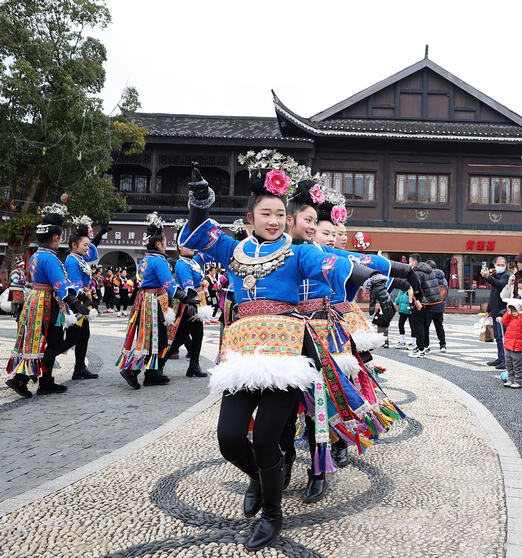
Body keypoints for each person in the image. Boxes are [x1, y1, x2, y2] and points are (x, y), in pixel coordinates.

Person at [181, 163, 385, 551]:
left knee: (268, 438)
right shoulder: (233, 248)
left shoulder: (298, 253)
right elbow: (196, 233)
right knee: (228, 439)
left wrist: (368, 275)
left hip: (288, 355)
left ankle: (272, 514)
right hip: (242, 355)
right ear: (250, 217)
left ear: (287, 218)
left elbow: (332, 263)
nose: (274, 221)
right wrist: (200, 202)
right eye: (266, 213)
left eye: (280, 214)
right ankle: (259, 477)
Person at [5, 204, 91, 398]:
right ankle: (22, 378)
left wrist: (79, 298)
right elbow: (60, 284)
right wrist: (76, 304)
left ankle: (45, 380)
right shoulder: (50, 258)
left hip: (36, 300)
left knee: (47, 340)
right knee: (51, 342)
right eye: (60, 236)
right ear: (55, 237)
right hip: (46, 303)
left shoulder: (36, 255)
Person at [116, 212, 197, 389]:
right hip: (153, 302)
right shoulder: (159, 261)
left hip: (147, 300)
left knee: (154, 337)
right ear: (159, 244)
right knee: (154, 339)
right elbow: (169, 283)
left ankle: (152, 373)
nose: (167, 245)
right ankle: (133, 370)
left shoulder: (146, 259)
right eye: (166, 242)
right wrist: (185, 297)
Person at [63, 216, 111, 380]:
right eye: (84, 245)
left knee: (84, 335)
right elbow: (75, 287)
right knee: (73, 338)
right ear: (74, 245)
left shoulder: (80, 257)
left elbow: (91, 247)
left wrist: (99, 234)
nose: (87, 248)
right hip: (77, 300)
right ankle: (47, 360)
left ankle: (80, 368)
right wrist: (85, 303)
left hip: (84, 298)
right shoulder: (71, 260)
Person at [168, 241, 210, 379]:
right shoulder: (182, 264)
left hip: (196, 302)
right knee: (180, 335)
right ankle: (159, 363)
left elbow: (207, 254)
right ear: (180, 248)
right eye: (187, 244)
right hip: (187, 303)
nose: (192, 246)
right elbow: (188, 284)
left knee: (198, 334)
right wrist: (191, 303)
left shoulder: (193, 260)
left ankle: (194, 366)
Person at [407, 253, 442, 358]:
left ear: (415, 261)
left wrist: (412, 302)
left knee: (418, 325)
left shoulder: (417, 272)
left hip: (420, 301)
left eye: (410, 261)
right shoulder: (429, 270)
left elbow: (414, 288)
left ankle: (421, 349)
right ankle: (425, 346)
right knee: (424, 325)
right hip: (430, 302)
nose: (409, 264)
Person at [483, 256, 511, 369]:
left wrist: (488, 277)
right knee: (498, 337)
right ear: (494, 265)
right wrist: (488, 310)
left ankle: (505, 359)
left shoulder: (506, 276)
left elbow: (500, 286)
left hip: (502, 311)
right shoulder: (496, 276)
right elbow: (492, 295)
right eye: (498, 264)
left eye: (502, 264)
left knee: (502, 336)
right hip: (494, 311)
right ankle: (500, 358)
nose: (500, 266)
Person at [500, 298, 522, 389]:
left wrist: (521, 312)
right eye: (511, 310)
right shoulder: (510, 319)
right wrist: (508, 313)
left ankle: (518, 381)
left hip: (518, 347)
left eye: (514, 310)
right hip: (508, 346)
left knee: (518, 365)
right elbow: (503, 321)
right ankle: (510, 380)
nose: (513, 312)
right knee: (509, 364)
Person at [426, 259, 448, 352]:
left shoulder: (428, 277)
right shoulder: (443, 278)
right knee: (439, 326)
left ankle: (426, 346)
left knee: (425, 327)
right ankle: (443, 345)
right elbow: (446, 292)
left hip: (429, 306)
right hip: (440, 306)